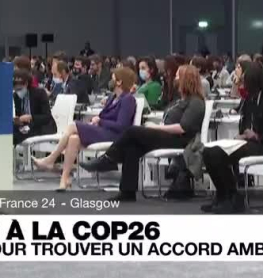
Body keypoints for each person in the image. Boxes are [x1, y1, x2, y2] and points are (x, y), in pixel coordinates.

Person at [80, 65, 206, 202]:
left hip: (181, 140)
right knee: (132, 147)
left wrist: (157, 128)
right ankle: (127, 192)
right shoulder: (180, 100)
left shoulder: (196, 102)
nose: (174, 79)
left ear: (185, 80)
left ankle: (109, 159)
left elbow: (182, 128)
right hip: (168, 136)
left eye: (177, 76)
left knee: (133, 131)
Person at [202, 62, 263, 214]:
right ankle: (223, 195)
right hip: (251, 142)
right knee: (208, 151)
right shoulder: (250, 100)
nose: (244, 85)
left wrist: (257, 136)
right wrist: (242, 135)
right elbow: (244, 124)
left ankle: (233, 197)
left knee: (217, 154)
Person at [33, 68, 137, 190]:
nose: (110, 80)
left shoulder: (128, 99)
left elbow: (122, 126)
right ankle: (64, 179)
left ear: (119, 82)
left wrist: (101, 121)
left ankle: (51, 159)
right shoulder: (112, 98)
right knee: (74, 139)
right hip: (103, 131)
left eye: (113, 78)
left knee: (73, 125)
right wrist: (96, 121)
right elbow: (103, 116)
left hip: (115, 136)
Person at [13, 69, 56, 146]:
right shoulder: (16, 96)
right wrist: (18, 120)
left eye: (19, 89)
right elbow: (19, 114)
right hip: (26, 126)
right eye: (16, 89)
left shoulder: (40, 93)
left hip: (42, 126)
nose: (18, 92)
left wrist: (31, 117)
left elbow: (47, 117)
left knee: (17, 135)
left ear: (26, 84)